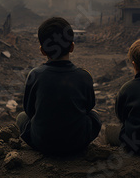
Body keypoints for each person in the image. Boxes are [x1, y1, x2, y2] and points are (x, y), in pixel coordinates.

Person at [16, 17, 101, 155]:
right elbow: (88, 107)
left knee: (21, 117)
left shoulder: (35, 75)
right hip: (76, 143)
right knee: (94, 115)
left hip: (42, 143)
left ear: (42, 51)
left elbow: (29, 110)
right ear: (72, 47)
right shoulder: (84, 76)